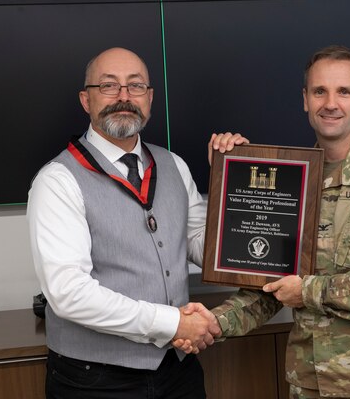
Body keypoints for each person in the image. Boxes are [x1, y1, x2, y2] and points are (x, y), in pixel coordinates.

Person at [179, 45, 350, 398]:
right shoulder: (291, 179)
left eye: (343, 91)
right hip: (311, 383)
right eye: (320, 91)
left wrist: (309, 291)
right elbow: (271, 286)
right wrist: (214, 322)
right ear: (305, 99)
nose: (330, 103)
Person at [27, 47, 246, 399]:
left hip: (178, 370)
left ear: (150, 98)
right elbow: (68, 293)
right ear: (86, 99)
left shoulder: (174, 165)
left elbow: (204, 248)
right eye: (109, 86)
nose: (124, 97)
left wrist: (233, 178)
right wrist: (173, 323)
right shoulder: (57, 181)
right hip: (94, 381)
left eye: (136, 86)